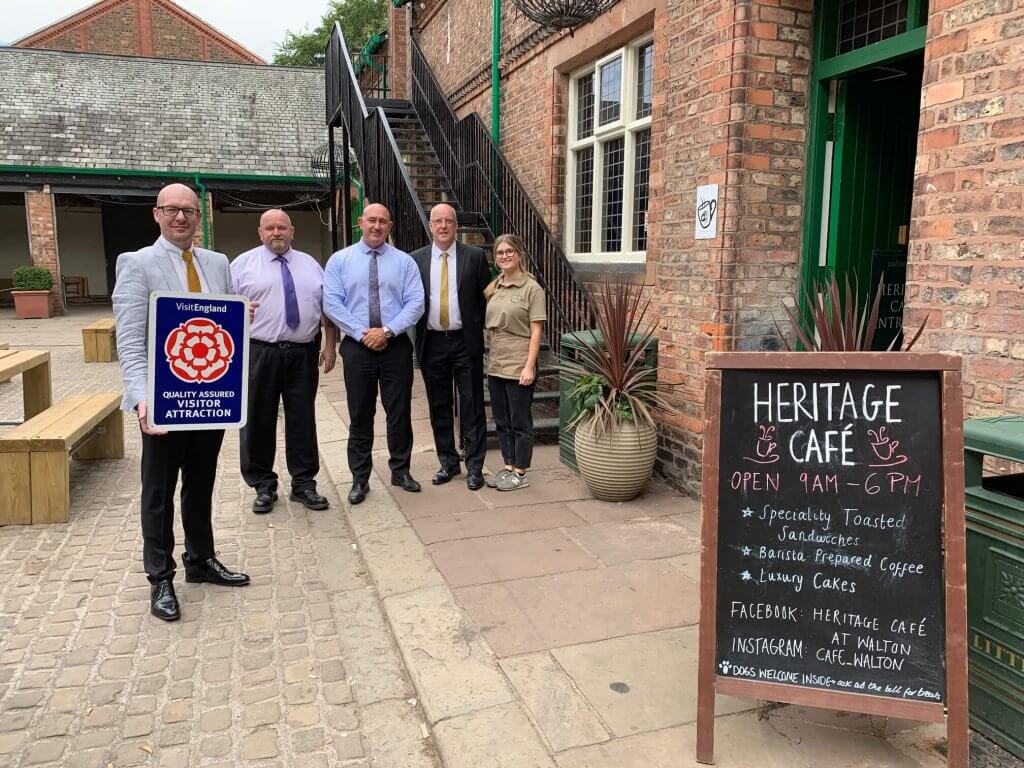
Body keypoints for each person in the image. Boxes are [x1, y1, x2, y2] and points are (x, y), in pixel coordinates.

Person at [112, 183, 250, 623]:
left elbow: (221, 329)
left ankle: (200, 560)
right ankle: (160, 577)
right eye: (172, 210)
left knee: (201, 483)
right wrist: (140, 400)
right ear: (157, 214)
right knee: (158, 492)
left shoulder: (216, 262)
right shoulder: (137, 264)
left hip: (209, 397)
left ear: (198, 217)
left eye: (189, 211)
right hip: (163, 403)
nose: (181, 218)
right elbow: (131, 342)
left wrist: (239, 319)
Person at [231, 209, 338, 514]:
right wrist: (239, 313)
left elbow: (326, 311)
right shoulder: (241, 266)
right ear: (260, 232)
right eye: (270, 228)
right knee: (257, 420)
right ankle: (263, 485)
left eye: (282, 227)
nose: (276, 233)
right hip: (258, 351)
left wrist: (330, 346)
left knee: (302, 419)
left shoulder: (311, 266)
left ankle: (304, 484)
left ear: (292, 231)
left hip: (302, 353)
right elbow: (222, 311)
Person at [322, 203, 425, 505]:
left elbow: (415, 302)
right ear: (360, 223)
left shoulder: (405, 263)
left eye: (383, 221)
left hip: (395, 344)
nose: (377, 226)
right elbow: (332, 302)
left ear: (390, 226)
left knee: (399, 411)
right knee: (360, 414)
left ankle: (401, 470)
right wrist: (362, 333)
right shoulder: (340, 261)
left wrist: (388, 330)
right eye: (371, 221)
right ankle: (360, 478)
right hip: (357, 346)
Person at [411, 204, 490, 490]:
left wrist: (472, 324)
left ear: (456, 226)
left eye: (449, 221)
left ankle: (474, 465)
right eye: (438, 221)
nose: (443, 226)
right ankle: (447, 461)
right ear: (430, 226)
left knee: (472, 406)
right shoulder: (416, 260)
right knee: (439, 405)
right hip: (432, 342)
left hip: (464, 342)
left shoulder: (475, 257)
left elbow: (485, 299)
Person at [484, 234, 546, 491]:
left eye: (509, 251)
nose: (505, 256)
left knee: (520, 421)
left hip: (519, 362)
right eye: (500, 252)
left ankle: (520, 471)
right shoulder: (494, 287)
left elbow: (536, 332)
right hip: (497, 362)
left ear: (519, 254)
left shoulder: (532, 289)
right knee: (501, 420)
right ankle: (508, 465)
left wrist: (529, 366)